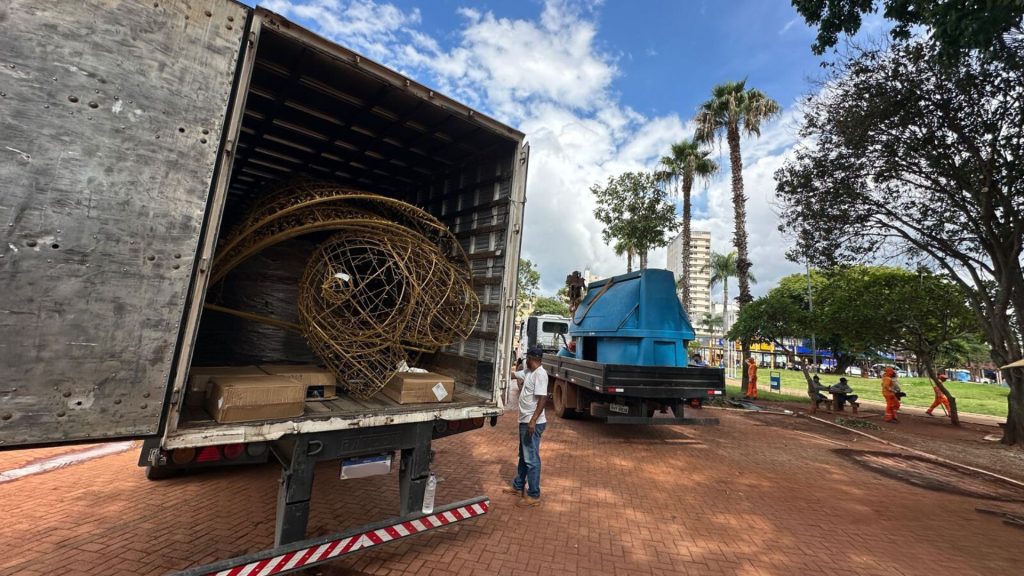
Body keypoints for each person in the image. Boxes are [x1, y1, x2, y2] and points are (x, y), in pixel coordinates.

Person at [502, 346, 548, 507]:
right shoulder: (528, 372)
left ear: (532, 359)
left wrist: (533, 420)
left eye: (527, 358)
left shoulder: (540, 374)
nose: (525, 360)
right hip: (525, 421)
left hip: (532, 423)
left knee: (531, 459)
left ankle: (534, 495)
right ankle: (518, 486)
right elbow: (513, 375)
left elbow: (543, 399)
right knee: (523, 455)